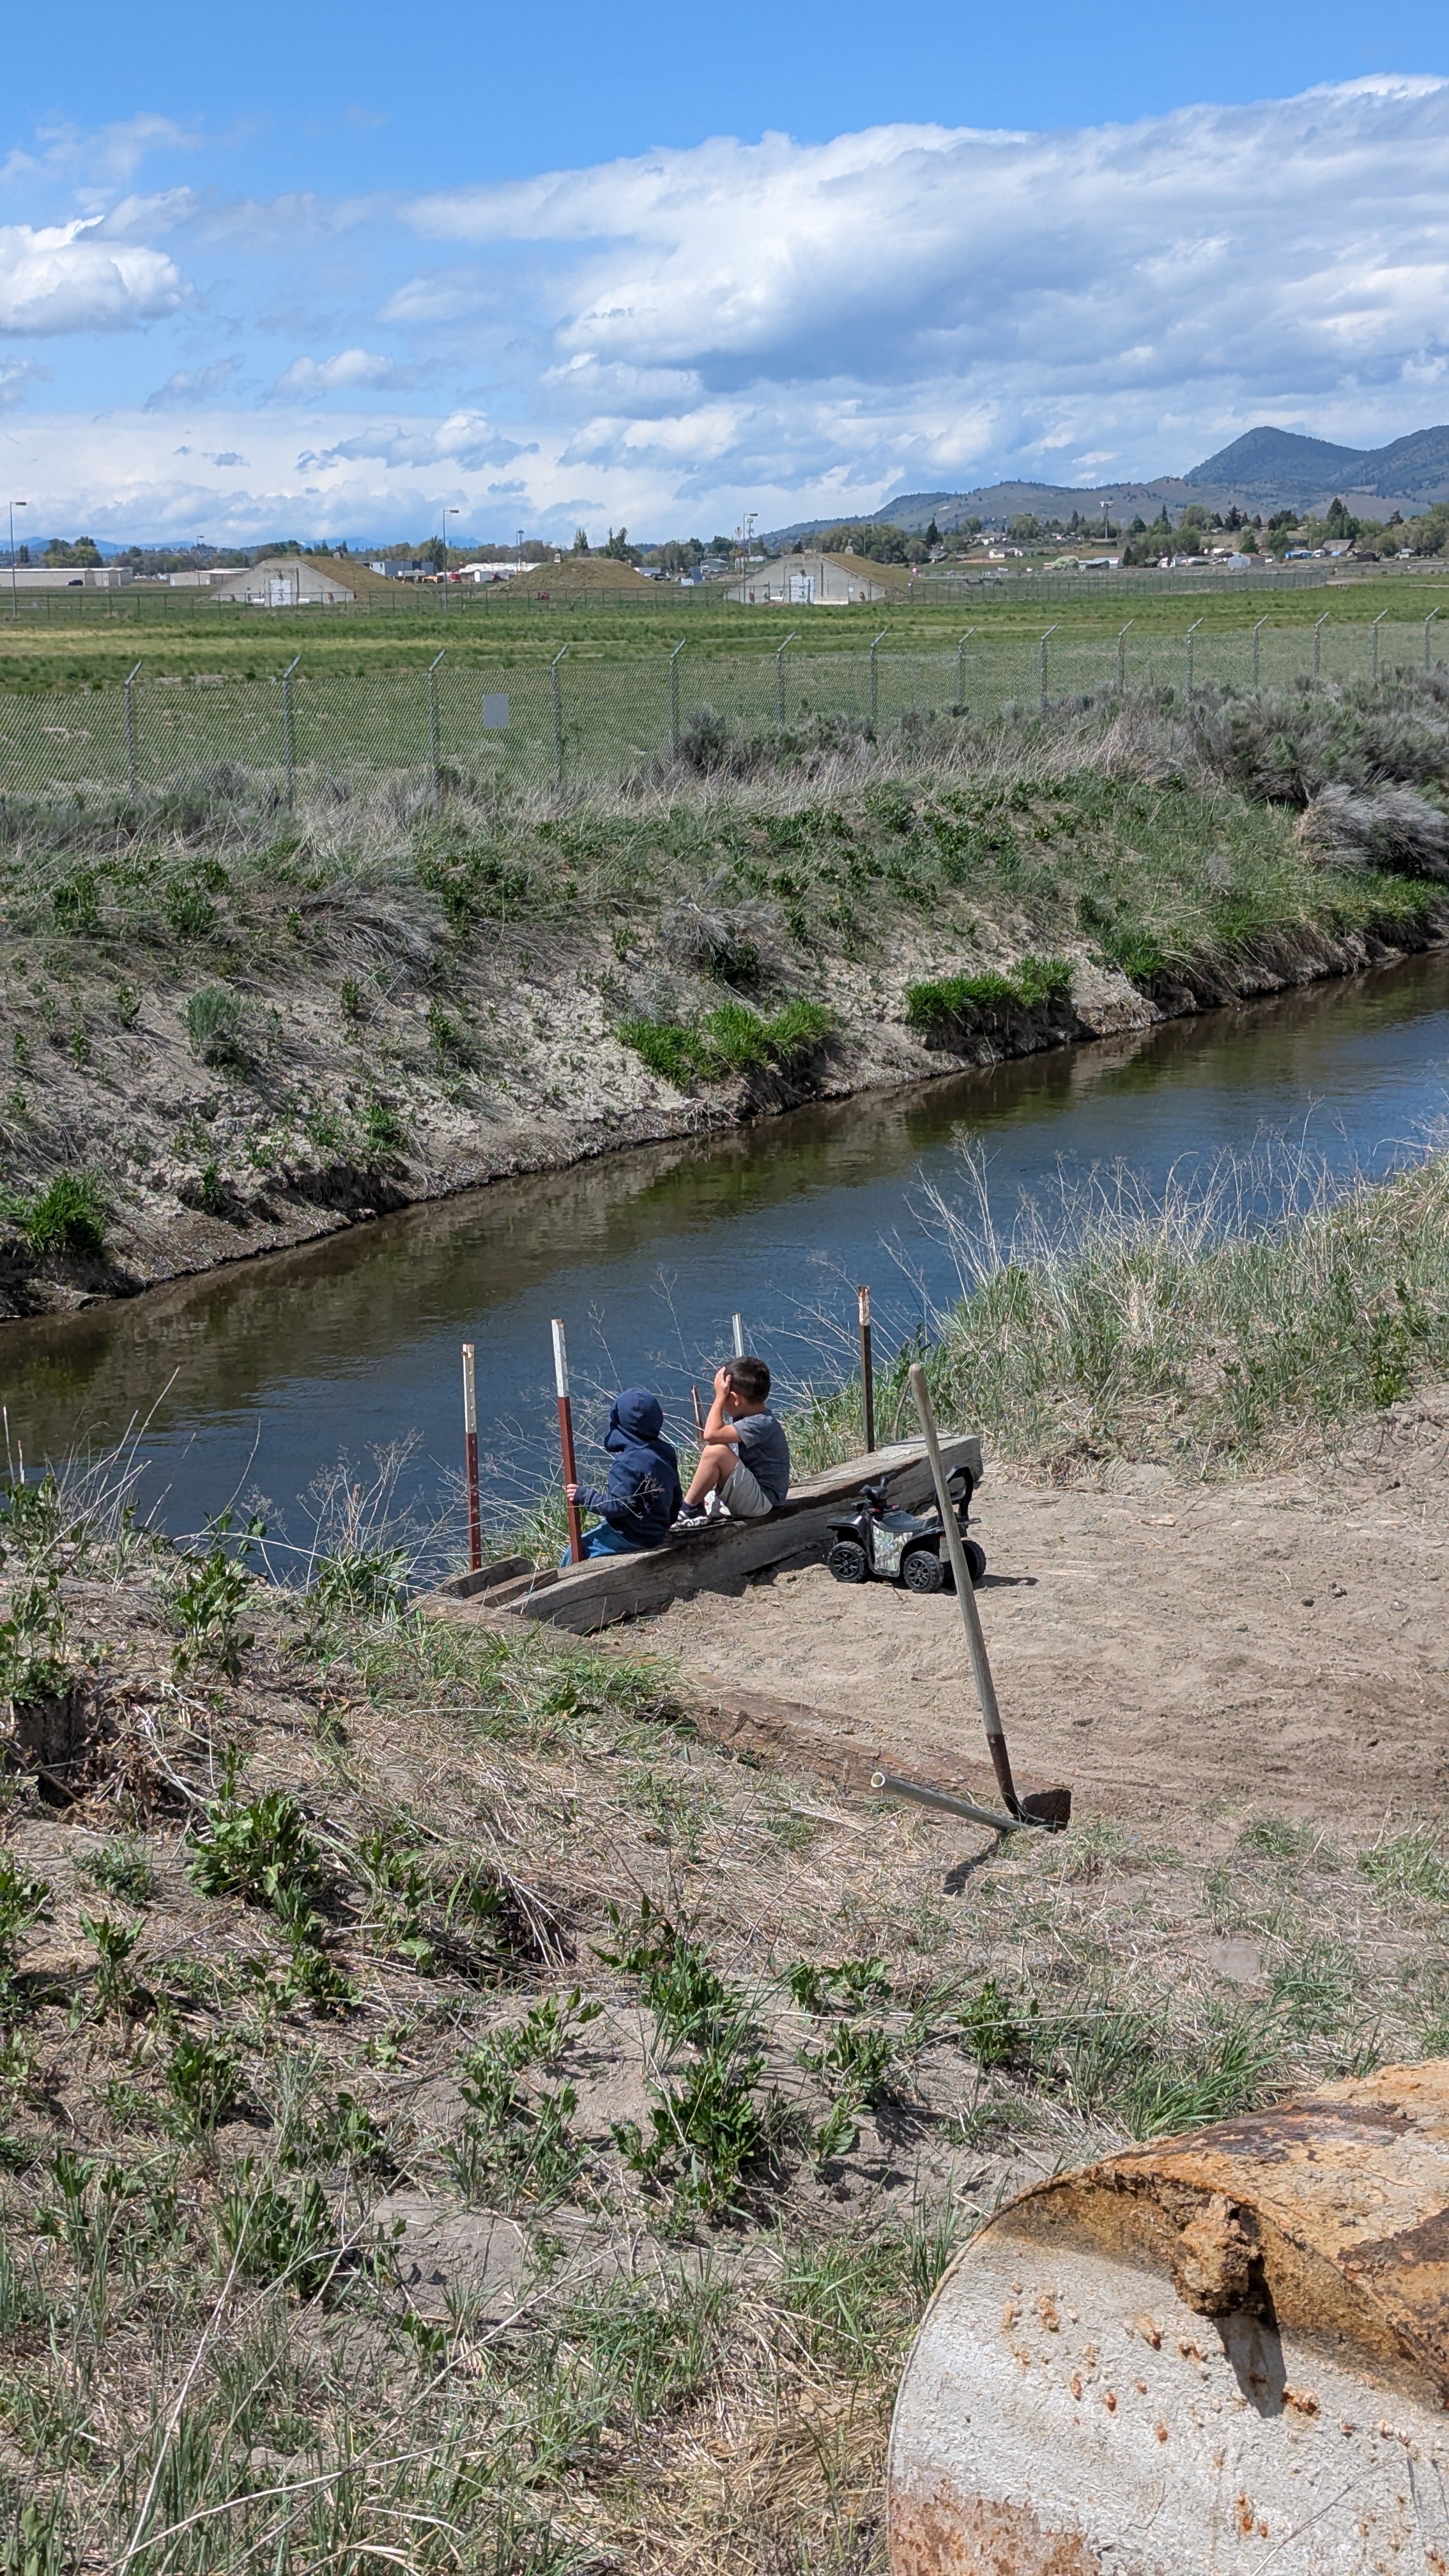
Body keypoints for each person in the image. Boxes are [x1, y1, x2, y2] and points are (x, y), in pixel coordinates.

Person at [562, 1387, 682, 1562]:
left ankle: (565, 1585)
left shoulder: (627, 1462)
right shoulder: (666, 1452)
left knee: (575, 1551)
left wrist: (585, 1496)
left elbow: (616, 1506)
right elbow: (676, 1495)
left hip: (632, 1536)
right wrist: (666, 1524)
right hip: (656, 1532)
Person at [675, 1356, 791, 1525]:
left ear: (735, 1399)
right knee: (716, 1453)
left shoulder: (761, 1423)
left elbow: (710, 1434)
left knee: (715, 1451)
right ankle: (691, 1507)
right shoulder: (748, 1418)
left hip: (764, 1501)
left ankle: (688, 1509)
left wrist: (719, 1397)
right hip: (755, 1496)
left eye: (724, 1396)